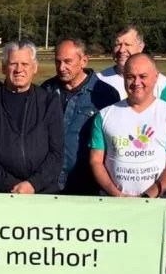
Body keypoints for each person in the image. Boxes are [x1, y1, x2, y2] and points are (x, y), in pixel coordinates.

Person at [0, 39, 64, 194]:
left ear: (34, 67)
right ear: (3, 67)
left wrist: (33, 184)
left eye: (25, 64)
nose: (18, 69)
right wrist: (10, 184)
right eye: (13, 64)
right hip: (0, 192)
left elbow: (57, 153)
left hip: (42, 191)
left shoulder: (49, 102)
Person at [90, 53, 166, 197]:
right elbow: (96, 161)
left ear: (156, 77)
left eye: (143, 76)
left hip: (155, 202)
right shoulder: (104, 115)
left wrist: (147, 197)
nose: (136, 82)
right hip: (114, 201)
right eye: (130, 77)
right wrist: (116, 195)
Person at [40, 38, 120, 194]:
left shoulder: (106, 95)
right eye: (58, 62)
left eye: (68, 62)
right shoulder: (46, 90)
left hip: (87, 185)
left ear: (83, 61)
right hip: (49, 182)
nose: (61, 67)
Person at [97, 25, 166, 103]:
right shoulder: (98, 80)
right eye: (117, 45)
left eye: (127, 44)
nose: (121, 50)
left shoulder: (160, 82)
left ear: (140, 47)